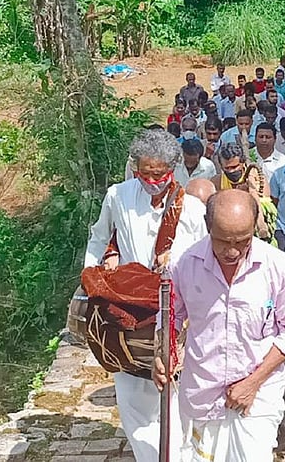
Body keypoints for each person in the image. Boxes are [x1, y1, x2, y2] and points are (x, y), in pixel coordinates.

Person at [155, 189, 285, 462]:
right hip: (203, 392)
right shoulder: (185, 265)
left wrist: (252, 383)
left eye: (243, 241)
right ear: (207, 227)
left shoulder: (278, 267)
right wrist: (161, 354)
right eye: (223, 241)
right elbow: (169, 318)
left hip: (258, 397)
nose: (233, 251)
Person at [84, 129, 207, 462]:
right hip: (132, 312)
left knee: (177, 396)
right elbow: (99, 239)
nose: (153, 181)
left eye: (160, 174)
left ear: (173, 169)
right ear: (135, 168)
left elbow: (204, 258)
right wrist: (94, 281)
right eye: (146, 174)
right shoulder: (118, 196)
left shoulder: (193, 209)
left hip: (179, 314)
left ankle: (180, 455)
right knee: (134, 397)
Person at [212, 142, 273, 240]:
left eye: (235, 167)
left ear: (242, 163)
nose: (231, 171)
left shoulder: (255, 178)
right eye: (227, 168)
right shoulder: (217, 182)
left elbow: (266, 205)